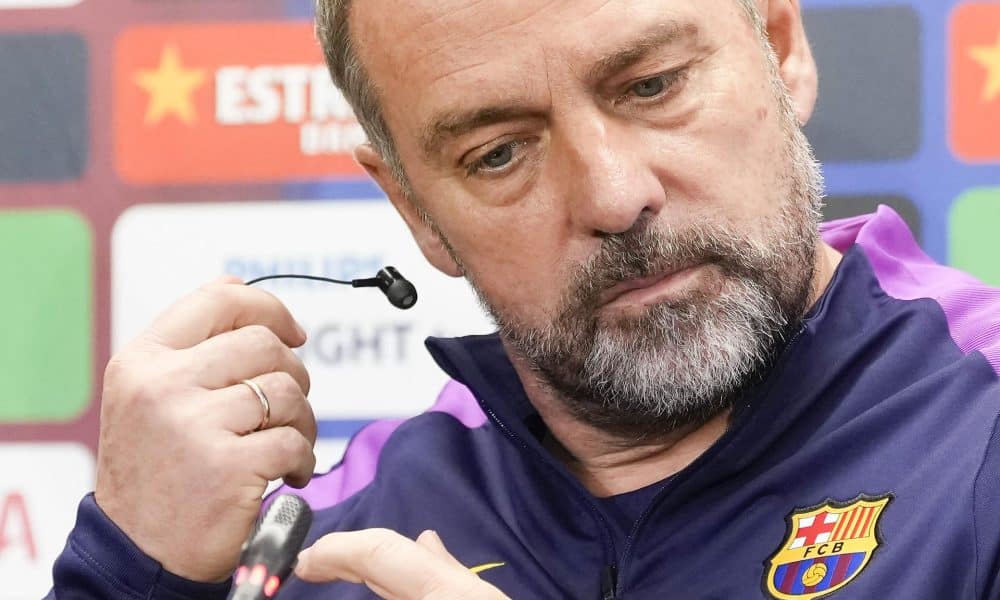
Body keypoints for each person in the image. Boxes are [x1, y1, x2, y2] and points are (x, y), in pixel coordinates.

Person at [48, 0, 1000, 598]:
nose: (613, 194)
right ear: (415, 207)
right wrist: (129, 573)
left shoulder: (980, 423)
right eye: (499, 152)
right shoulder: (339, 537)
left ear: (780, 46)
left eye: (653, 85)